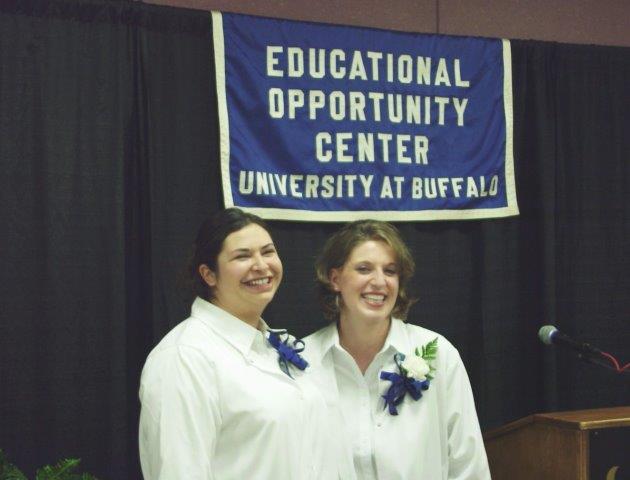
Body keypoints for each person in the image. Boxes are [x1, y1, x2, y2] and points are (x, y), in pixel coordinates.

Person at [138, 208, 338, 480]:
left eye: (267, 252)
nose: (261, 265)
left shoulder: (278, 345)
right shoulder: (184, 357)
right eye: (242, 256)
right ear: (209, 274)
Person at [304, 220, 491, 479]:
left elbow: (468, 465)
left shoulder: (439, 354)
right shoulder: (304, 362)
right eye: (364, 269)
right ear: (335, 279)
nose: (380, 281)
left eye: (390, 271)